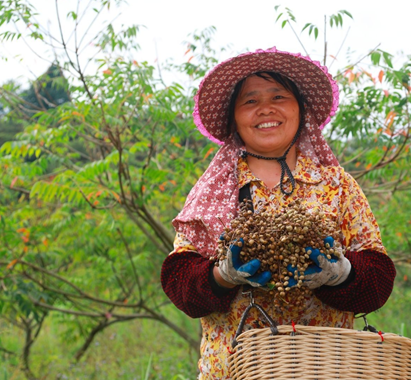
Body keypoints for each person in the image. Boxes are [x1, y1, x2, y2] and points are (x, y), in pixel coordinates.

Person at [160, 48, 395, 379]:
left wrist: (342, 274)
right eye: (250, 101)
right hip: (234, 369)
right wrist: (222, 275)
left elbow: (379, 280)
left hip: (325, 368)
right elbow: (179, 283)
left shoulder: (336, 185)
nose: (265, 109)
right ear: (234, 118)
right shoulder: (214, 191)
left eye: (279, 96)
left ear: (301, 109)